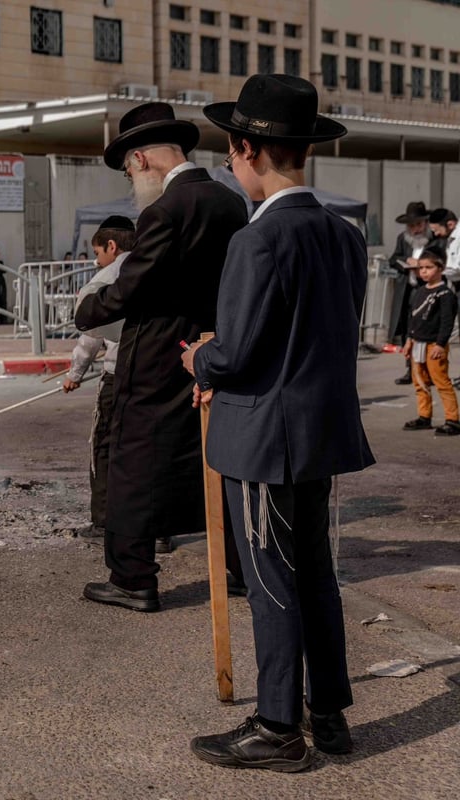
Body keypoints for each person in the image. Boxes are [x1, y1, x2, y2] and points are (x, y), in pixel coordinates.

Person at [184, 73, 375, 772]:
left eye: (230, 152)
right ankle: (328, 715)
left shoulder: (257, 241)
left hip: (266, 438)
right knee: (316, 577)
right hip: (320, 431)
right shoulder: (343, 235)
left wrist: (201, 359)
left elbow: (237, 352)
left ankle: (276, 726)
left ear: (246, 148)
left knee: (271, 582)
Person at [74, 101, 249, 613]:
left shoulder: (166, 209)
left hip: (155, 351)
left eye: (130, 169)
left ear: (141, 161)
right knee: (211, 457)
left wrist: (88, 310)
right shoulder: (229, 201)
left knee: (133, 459)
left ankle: (133, 578)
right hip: (211, 344)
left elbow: (133, 285)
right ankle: (240, 567)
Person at [63, 216, 135, 538]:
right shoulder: (150, 268)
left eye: (97, 252)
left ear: (111, 245)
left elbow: (91, 333)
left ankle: (104, 522)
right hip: (149, 376)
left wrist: (74, 373)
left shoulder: (112, 278)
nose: (96, 260)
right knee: (143, 451)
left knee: (104, 449)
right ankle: (157, 530)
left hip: (115, 376)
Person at [402, 245, 460, 436]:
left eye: (429, 267)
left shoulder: (445, 294)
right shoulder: (419, 291)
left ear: (441, 269)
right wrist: (409, 340)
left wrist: (441, 344)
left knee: (442, 382)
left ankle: (453, 420)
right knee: (420, 383)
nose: (424, 271)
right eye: (421, 268)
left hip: (434, 345)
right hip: (417, 343)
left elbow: (446, 322)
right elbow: (413, 318)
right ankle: (424, 416)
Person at [387, 201, 432, 384]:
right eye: (412, 225)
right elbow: (393, 259)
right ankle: (410, 368)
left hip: (425, 290)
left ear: (425, 223)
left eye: (419, 224)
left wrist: (420, 265)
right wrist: (406, 261)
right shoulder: (402, 239)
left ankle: (427, 371)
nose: (416, 229)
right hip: (407, 291)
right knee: (408, 331)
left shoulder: (433, 240)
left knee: (426, 331)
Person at [428, 207, 460, 287]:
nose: (436, 234)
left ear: (450, 225)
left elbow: (457, 268)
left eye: (437, 230)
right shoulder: (450, 238)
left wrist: (436, 270)